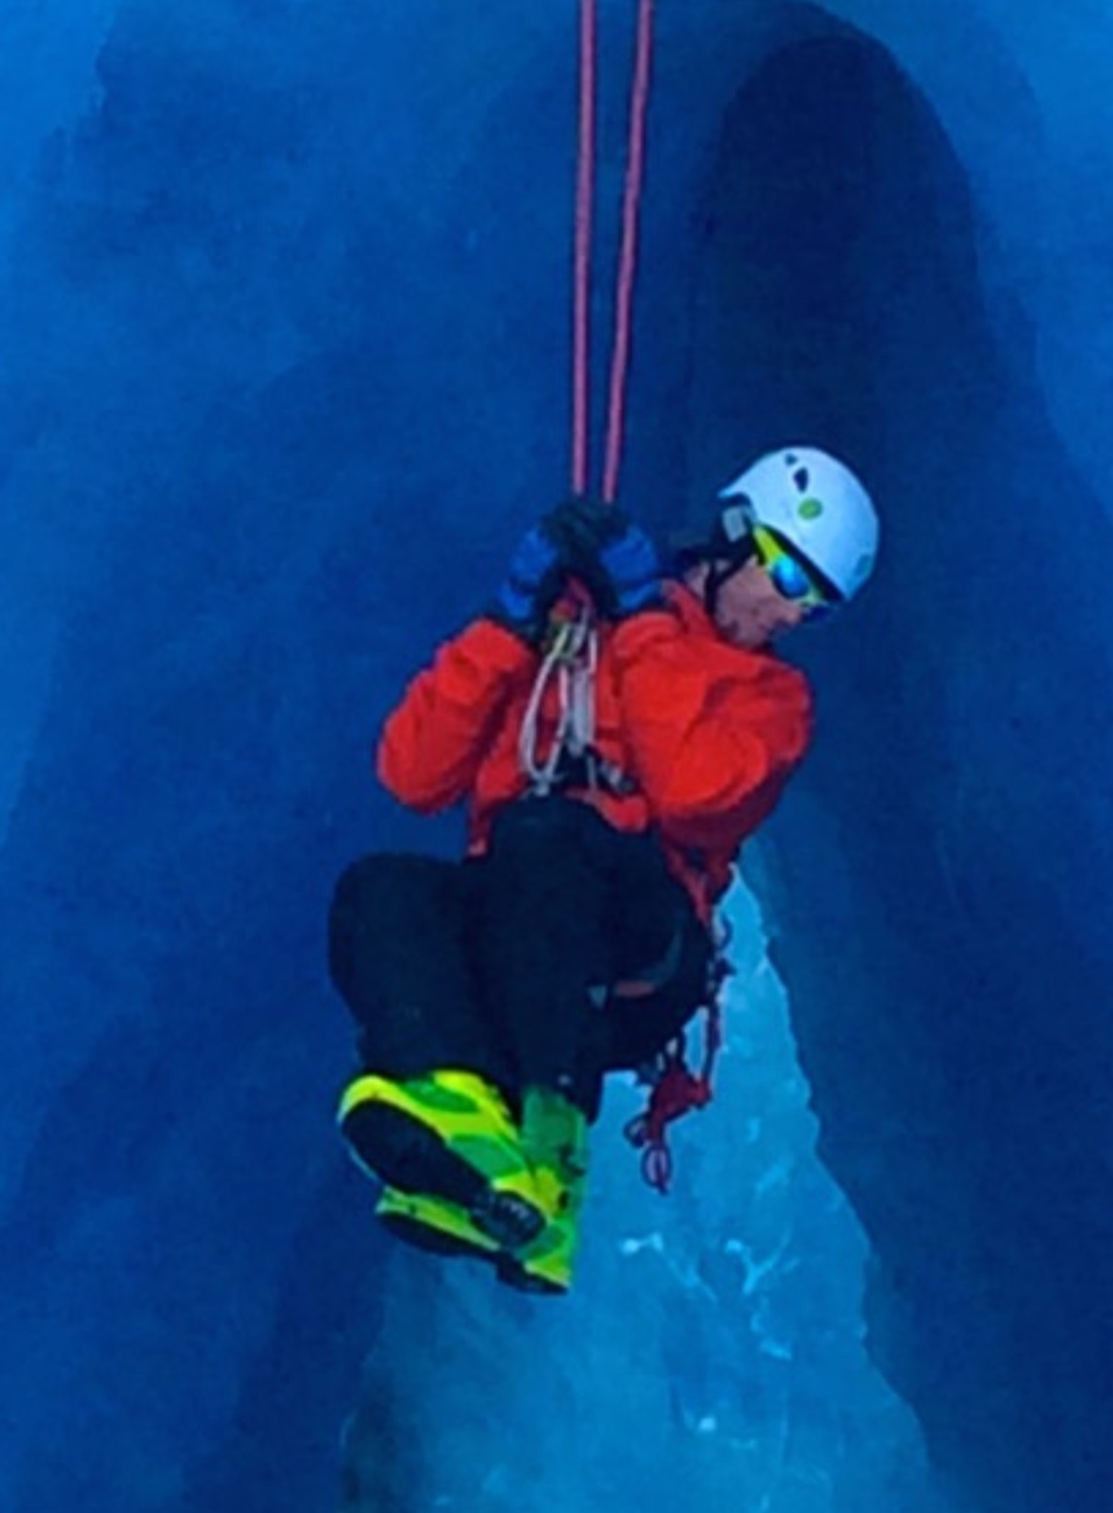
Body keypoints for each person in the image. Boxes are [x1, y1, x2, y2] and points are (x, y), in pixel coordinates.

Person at [328, 445, 878, 1291]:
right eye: (792, 579)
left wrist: (643, 624)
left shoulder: (773, 704)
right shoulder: (569, 632)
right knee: (381, 889)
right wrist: (508, 626)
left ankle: (552, 1158)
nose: (795, 613)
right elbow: (411, 774)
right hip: (518, 923)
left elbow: (693, 793)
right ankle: (465, 1126)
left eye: (819, 605)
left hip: (638, 957)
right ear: (736, 537)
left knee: (549, 835)